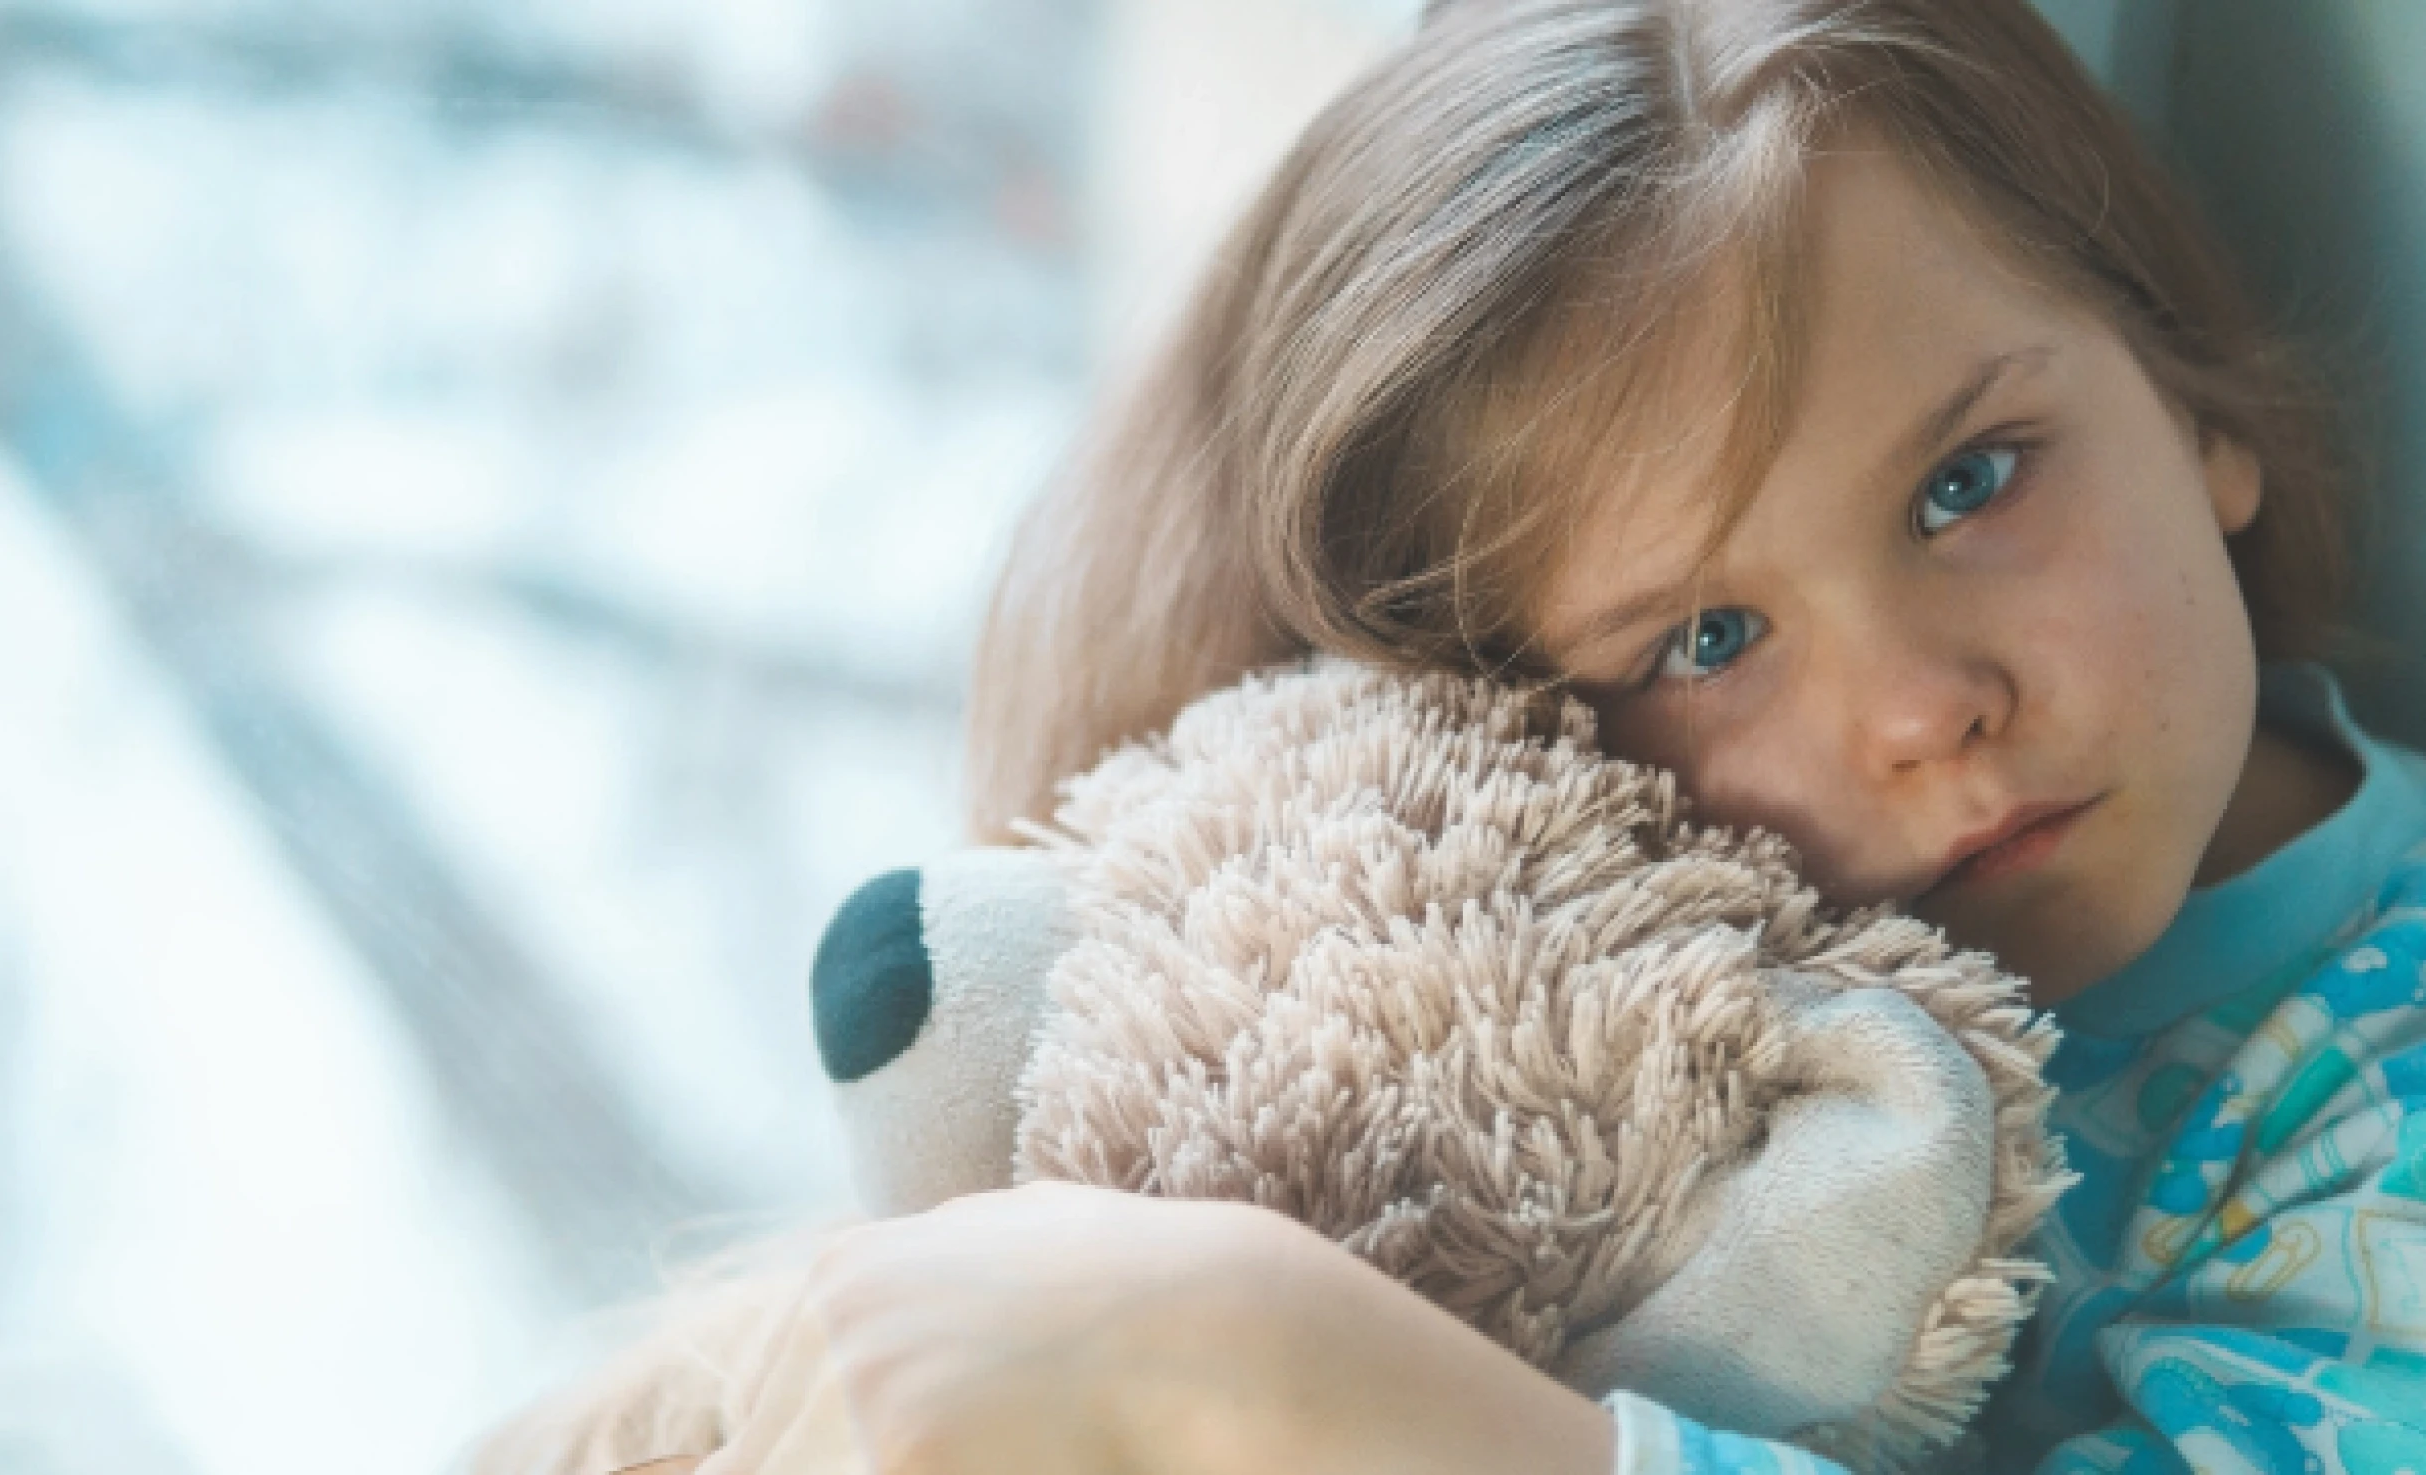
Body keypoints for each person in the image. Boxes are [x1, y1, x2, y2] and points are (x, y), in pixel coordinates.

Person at [481, 1, 2426, 1471]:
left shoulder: (2375, 1058)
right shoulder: (1611, 992)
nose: (1920, 706)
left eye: (1970, 480)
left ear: (2197, 407)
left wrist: (1262, 1357)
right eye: (1709, 634)